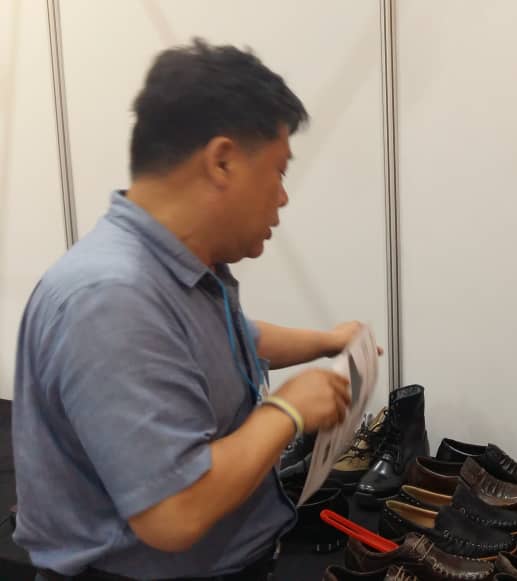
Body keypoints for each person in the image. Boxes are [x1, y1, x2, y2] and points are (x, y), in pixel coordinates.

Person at [14, 39, 360, 579]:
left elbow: (227, 338)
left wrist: (326, 342)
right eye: (278, 171)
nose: (283, 197)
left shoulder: (171, 274)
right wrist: (287, 411)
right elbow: (173, 513)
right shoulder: (110, 300)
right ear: (222, 161)